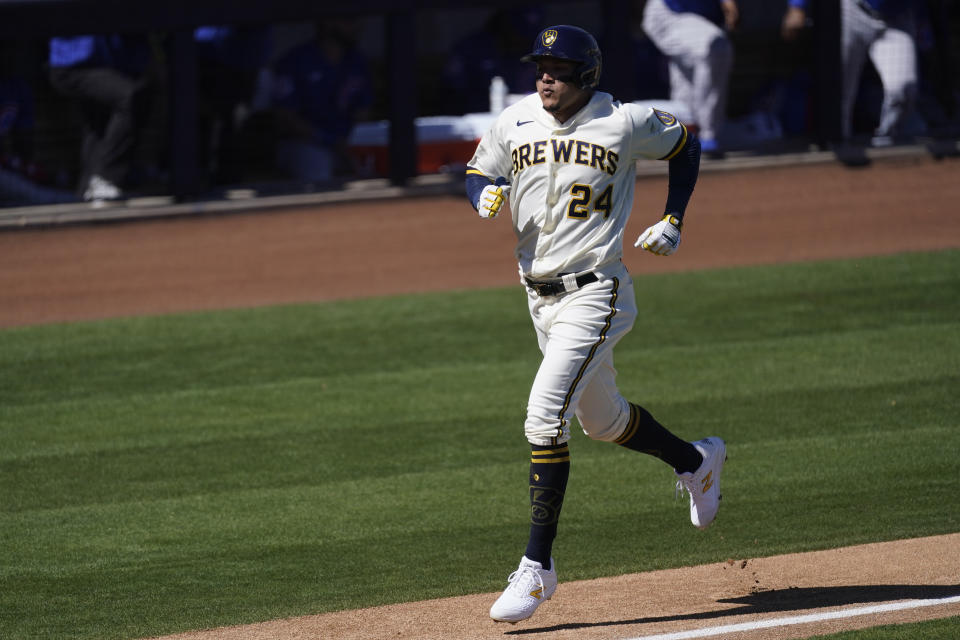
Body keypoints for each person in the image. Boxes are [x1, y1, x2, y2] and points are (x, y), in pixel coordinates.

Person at [464, 25, 726, 624]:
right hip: (538, 298)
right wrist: (481, 192)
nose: (544, 76)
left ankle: (538, 569)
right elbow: (480, 170)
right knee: (604, 421)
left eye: (556, 68)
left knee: (543, 414)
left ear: (586, 74)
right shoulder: (516, 120)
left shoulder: (625, 121)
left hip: (597, 293)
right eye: (540, 66)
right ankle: (696, 462)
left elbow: (685, 142)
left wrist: (674, 218)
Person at [788, 0, 920, 144]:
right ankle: (837, 147)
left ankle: (885, 147)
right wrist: (797, 6)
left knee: (902, 91)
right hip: (852, 10)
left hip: (895, 18)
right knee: (837, 95)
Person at [262, 19, 373, 184]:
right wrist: (327, 140)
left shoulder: (358, 61)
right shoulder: (296, 60)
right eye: (349, 21)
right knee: (318, 165)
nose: (357, 27)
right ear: (328, 23)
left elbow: (363, 112)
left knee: (371, 165)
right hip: (304, 143)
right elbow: (285, 117)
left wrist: (352, 142)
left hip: (346, 143)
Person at [47, 34, 155, 202]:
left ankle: (87, 192)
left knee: (98, 129)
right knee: (131, 97)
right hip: (73, 64)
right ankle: (106, 178)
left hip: (113, 64)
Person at [641, 0, 739, 157]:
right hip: (669, 12)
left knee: (688, 77)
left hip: (695, 20)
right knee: (716, 48)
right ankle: (706, 134)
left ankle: (683, 133)